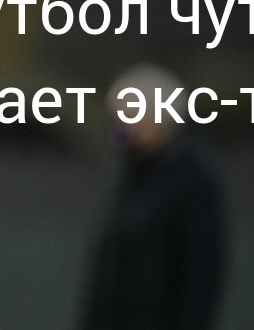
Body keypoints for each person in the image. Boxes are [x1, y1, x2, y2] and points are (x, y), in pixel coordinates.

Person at [82, 64, 227, 330]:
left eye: (131, 114)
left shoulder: (195, 178)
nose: (120, 125)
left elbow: (202, 274)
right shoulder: (131, 174)